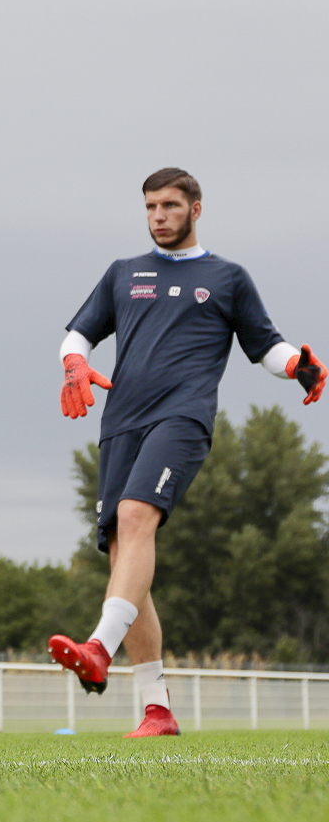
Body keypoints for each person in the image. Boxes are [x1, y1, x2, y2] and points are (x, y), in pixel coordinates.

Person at [49, 168, 323, 737]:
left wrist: (297, 365)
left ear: (196, 209)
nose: (159, 216)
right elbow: (77, 335)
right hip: (120, 422)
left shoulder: (227, 277)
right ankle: (157, 708)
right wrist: (74, 363)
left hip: (183, 418)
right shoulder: (123, 274)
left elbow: (266, 347)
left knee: (135, 516)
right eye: (150, 207)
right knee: (126, 554)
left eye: (170, 205)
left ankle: (98, 647)